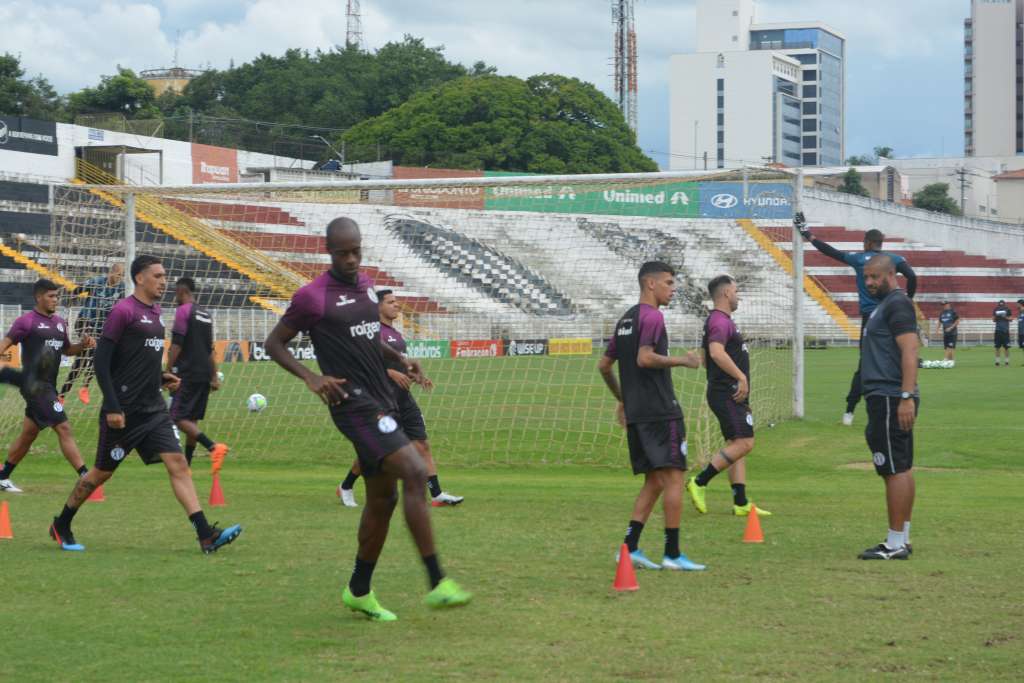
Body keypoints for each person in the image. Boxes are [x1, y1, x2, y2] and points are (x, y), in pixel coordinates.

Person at [264, 217, 470, 621]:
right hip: (351, 404)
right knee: (415, 470)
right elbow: (274, 343)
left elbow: (367, 337)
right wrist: (311, 377)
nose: (351, 259)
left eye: (356, 251)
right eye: (343, 253)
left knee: (382, 499)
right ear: (329, 251)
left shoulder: (365, 285)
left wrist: (399, 358)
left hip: (383, 399)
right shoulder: (312, 297)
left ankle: (359, 590)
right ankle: (438, 581)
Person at [48, 255, 242, 554]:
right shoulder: (123, 311)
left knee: (178, 464)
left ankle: (206, 535)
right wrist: (113, 407)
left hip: (154, 409)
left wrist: (161, 377)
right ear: (140, 278)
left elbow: (139, 359)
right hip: (124, 412)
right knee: (100, 474)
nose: (164, 281)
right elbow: (102, 361)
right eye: (158, 276)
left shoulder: (156, 313)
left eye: (165, 276)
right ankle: (62, 523)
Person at [598, 261, 706, 572]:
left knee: (655, 481)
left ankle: (629, 548)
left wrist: (623, 399)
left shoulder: (626, 320)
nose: (674, 289)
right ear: (651, 284)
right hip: (660, 411)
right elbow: (644, 358)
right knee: (674, 477)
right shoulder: (652, 316)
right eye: (669, 283)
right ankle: (672, 553)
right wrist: (683, 361)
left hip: (638, 413)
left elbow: (604, 366)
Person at [337, 288, 463, 508]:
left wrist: (415, 376)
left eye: (396, 301)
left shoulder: (395, 334)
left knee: (422, 444)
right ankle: (346, 486)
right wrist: (389, 373)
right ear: (378, 306)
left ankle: (436, 494)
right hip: (381, 400)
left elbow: (398, 364)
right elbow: (359, 365)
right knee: (376, 451)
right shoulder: (369, 331)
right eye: (391, 302)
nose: (396, 305)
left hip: (403, 398)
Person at [796, 213, 917, 426]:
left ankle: (850, 411)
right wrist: (908, 299)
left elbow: (830, 251)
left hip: (871, 318)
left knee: (866, 365)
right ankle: (904, 398)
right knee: (902, 355)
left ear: (867, 243)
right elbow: (912, 276)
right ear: (881, 243)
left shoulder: (859, 259)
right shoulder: (892, 259)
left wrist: (808, 234)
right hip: (894, 313)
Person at [686, 275, 772, 517]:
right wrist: (740, 377)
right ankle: (699, 482)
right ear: (726, 293)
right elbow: (715, 352)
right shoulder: (719, 321)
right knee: (745, 443)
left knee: (737, 445)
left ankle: (741, 502)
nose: (738, 296)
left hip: (729, 392)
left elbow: (706, 358)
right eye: (736, 291)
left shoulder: (720, 321)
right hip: (727, 392)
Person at [0, 279, 95, 493]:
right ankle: (86, 477)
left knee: (28, 434)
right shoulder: (26, 322)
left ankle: (3, 477)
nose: (55, 300)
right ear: (38, 297)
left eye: (57, 296)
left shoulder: (60, 323)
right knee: (64, 427)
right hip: (35, 387)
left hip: (49, 385)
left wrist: (83, 345)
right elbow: (4, 344)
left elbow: (67, 350)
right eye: (51, 296)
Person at [857, 255, 919, 560]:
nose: (869, 282)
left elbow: (910, 349)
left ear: (891, 274)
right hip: (886, 395)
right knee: (901, 467)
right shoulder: (884, 306)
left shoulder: (897, 304)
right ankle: (902, 538)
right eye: (866, 277)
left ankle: (894, 545)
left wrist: (905, 396)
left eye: (874, 277)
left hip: (890, 397)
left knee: (893, 469)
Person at [166, 277, 228, 470]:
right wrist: (214, 376)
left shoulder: (183, 311)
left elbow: (177, 344)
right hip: (203, 374)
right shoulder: (205, 314)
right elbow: (209, 349)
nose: (175, 297)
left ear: (182, 291)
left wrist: (167, 370)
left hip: (187, 372)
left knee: (177, 417)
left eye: (175, 293)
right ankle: (188, 465)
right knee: (191, 419)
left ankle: (213, 447)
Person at [60, 263, 124, 405]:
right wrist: (66, 313)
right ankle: (80, 389)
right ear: (111, 272)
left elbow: (122, 307)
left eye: (122, 275)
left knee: (90, 358)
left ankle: (66, 394)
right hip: (85, 322)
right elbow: (76, 291)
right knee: (90, 353)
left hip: (101, 327)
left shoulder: (121, 288)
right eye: (118, 274)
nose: (120, 278)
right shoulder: (96, 282)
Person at [993, 299, 1012, 366]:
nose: (1001, 306)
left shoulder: (1008, 309)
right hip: (998, 330)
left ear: (1004, 305)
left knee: (1006, 347)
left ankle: (1006, 362)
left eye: (1002, 305)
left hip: (1005, 331)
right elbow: (993, 320)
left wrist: (1005, 317)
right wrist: (996, 317)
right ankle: (997, 362)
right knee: (997, 347)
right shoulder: (996, 309)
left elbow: (1011, 319)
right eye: (1000, 305)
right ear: (998, 305)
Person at [1018, 299, 1024, 363]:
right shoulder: (1020, 312)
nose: (1017, 305)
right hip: (1021, 332)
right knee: (1022, 348)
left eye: (1018, 304)